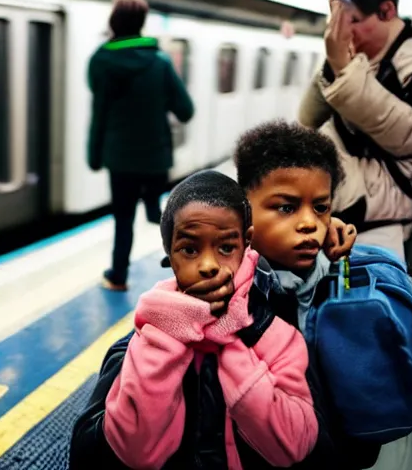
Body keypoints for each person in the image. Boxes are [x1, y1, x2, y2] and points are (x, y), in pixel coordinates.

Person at [70, 169, 320, 469]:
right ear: (169, 254)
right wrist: (167, 337)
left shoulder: (278, 337)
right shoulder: (143, 344)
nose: (208, 265)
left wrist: (230, 338)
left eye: (226, 248)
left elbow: (293, 445)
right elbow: (135, 451)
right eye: (189, 249)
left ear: (247, 243)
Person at [233, 119, 387, 469]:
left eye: (321, 207)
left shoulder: (333, 275)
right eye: (286, 207)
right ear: (242, 208)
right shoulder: (228, 291)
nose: (309, 224)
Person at [298, 0, 412, 279]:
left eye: (354, 21)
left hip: (382, 229)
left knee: (368, 312)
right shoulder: (359, 55)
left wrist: (347, 74)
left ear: (387, 11)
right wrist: (336, 67)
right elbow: (307, 117)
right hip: (343, 219)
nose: (344, 33)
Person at [87, 0, 194, 291]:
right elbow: (185, 110)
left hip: (119, 158)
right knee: (161, 216)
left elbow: (100, 113)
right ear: (142, 22)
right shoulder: (159, 62)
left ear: (114, 20)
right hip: (155, 158)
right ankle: (186, 273)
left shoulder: (100, 61)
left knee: (123, 219)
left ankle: (118, 276)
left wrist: (94, 155)